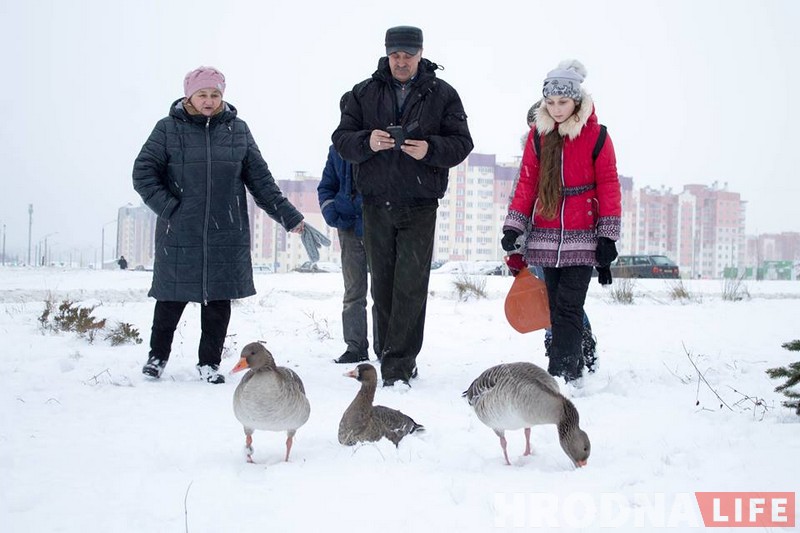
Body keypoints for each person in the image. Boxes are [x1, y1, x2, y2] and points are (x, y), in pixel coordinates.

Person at [133, 66, 305, 384]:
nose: (209, 101)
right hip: (179, 230)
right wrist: (171, 208)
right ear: (189, 96)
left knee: (218, 302)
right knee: (170, 299)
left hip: (225, 230)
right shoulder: (167, 129)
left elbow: (261, 181)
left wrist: (289, 217)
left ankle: (209, 363)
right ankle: (157, 358)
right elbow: (143, 173)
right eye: (202, 95)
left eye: (215, 94)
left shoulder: (237, 131)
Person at [332, 26, 473, 386]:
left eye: (408, 55)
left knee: (410, 285)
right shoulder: (363, 92)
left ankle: (398, 365)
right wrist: (368, 141)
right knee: (382, 285)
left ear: (421, 53)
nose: (401, 61)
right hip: (376, 203)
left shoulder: (443, 94)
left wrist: (430, 150)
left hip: (420, 203)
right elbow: (342, 140)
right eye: (395, 54)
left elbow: (462, 143)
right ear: (386, 53)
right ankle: (388, 354)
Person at [502, 59, 621, 382]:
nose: (556, 109)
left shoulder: (597, 137)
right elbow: (527, 183)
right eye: (550, 103)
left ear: (577, 101)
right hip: (544, 233)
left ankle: (564, 373)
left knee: (569, 307)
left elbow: (609, 184)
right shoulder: (537, 138)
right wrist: (513, 226)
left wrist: (608, 236)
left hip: (582, 234)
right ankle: (568, 367)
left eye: (563, 102)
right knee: (553, 309)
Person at [318, 91, 379, 364]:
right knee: (354, 291)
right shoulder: (337, 149)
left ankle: (385, 347)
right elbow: (326, 186)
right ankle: (355, 347)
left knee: (383, 291)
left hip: (380, 226)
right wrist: (332, 211)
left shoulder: (380, 143)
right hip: (349, 227)